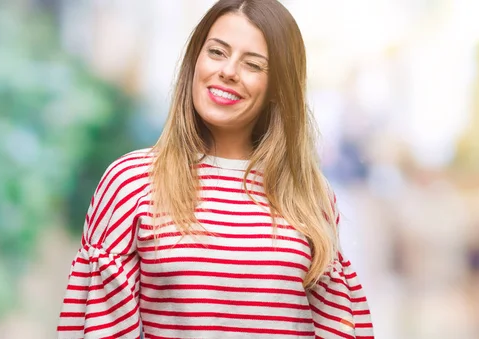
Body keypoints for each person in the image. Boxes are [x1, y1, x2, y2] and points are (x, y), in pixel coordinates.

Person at [56, 0, 374, 338]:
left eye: (252, 64)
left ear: (278, 87)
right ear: (195, 59)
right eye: (217, 52)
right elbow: (101, 322)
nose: (229, 71)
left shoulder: (309, 194)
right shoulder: (131, 181)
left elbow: (338, 325)